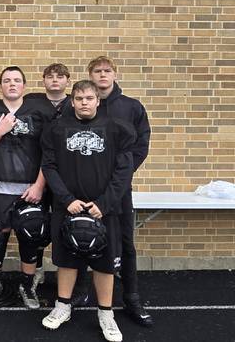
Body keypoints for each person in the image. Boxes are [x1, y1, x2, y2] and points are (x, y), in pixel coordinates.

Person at [40, 80, 135, 342]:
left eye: (89, 98)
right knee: (67, 259)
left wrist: (104, 204)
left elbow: (123, 171)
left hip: (103, 209)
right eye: (79, 98)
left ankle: (106, 314)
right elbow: (49, 166)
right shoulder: (57, 129)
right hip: (68, 206)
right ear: (72, 101)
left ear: (97, 100)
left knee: (105, 263)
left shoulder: (116, 129)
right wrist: (66, 198)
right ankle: (62, 306)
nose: (84, 103)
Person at [0, 66, 54, 309]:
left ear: (24, 85)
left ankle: (27, 284)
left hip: (30, 188)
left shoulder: (40, 111)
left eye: (17, 80)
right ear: (0, 85)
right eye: (7, 80)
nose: (12, 84)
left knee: (29, 236)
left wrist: (40, 185)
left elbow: (50, 152)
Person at [88, 56, 153, 327]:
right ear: (90, 75)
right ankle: (80, 293)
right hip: (87, 190)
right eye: (97, 71)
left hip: (119, 190)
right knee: (80, 241)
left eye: (107, 71)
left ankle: (131, 297)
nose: (102, 75)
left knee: (125, 244)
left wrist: (120, 178)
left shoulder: (131, 107)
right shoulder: (82, 103)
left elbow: (140, 147)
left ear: (114, 73)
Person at [24, 62, 72, 288]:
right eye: (50, 76)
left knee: (68, 223)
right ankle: (38, 269)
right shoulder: (32, 102)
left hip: (68, 174)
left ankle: (72, 272)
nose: (55, 80)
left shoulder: (76, 102)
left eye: (60, 76)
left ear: (67, 80)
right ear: (43, 80)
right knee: (38, 224)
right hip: (39, 170)